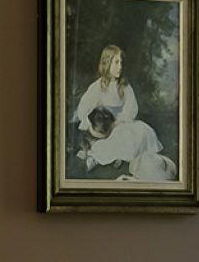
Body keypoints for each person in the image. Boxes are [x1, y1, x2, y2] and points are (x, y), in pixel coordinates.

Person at [71, 42, 176, 182]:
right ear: (106, 63)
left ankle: (114, 156)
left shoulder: (124, 86)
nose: (120, 66)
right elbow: (85, 108)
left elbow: (131, 109)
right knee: (108, 140)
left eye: (121, 62)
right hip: (103, 126)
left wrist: (119, 121)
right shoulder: (97, 87)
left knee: (138, 132)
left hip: (121, 123)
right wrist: (94, 125)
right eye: (116, 62)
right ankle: (95, 156)